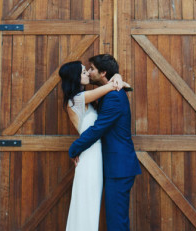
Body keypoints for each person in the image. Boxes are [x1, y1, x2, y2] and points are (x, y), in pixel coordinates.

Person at [69, 54, 141, 231]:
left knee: (117, 222)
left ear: (103, 72)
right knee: (114, 219)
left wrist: (74, 148)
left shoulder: (114, 97)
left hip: (119, 167)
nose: (89, 72)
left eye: (92, 69)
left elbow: (98, 128)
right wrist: (117, 78)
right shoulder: (107, 93)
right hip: (113, 165)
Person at [59, 60, 128, 231]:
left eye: (88, 70)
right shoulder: (77, 99)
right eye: (83, 72)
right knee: (86, 202)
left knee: (91, 201)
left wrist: (117, 76)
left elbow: (109, 87)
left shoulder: (87, 97)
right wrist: (117, 78)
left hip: (96, 154)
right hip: (89, 155)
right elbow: (109, 87)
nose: (87, 74)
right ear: (75, 77)